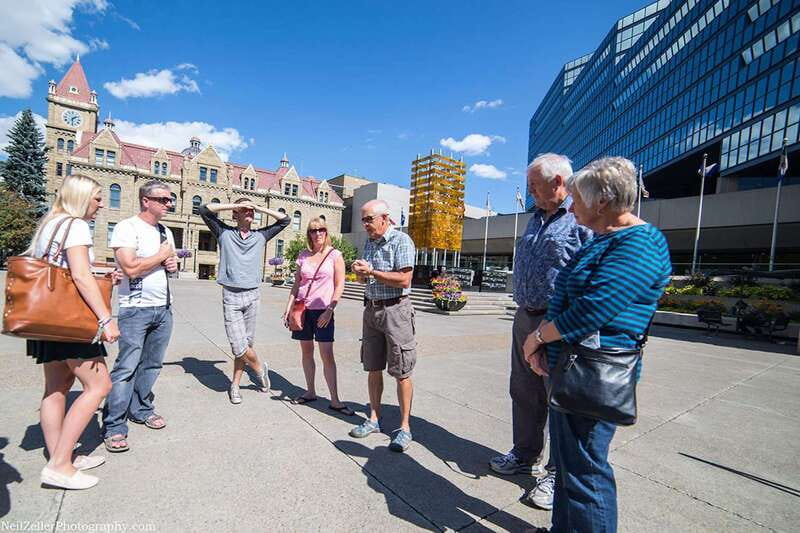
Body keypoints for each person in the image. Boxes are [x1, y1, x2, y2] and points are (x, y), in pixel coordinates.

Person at [523, 157, 671, 533]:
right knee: (569, 466)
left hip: (594, 373)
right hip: (571, 366)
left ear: (601, 201)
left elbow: (593, 309)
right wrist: (544, 346)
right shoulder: (604, 240)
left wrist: (537, 337)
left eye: (577, 199)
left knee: (586, 472)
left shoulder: (642, 242)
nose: (571, 207)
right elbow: (565, 297)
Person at [490, 153, 592, 511]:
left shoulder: (580, 218)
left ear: (558, 182)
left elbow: (588, 276)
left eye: (534, 185)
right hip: (525, 317)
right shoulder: (535, 218)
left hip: (557, 322)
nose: (530, 191)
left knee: (558, 398)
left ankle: (556, 473)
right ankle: (524, 454)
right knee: (523, 390)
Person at [25, 174, 119, 490]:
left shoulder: (50, 223)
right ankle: (60, 465)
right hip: (70, 323)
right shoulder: (76, 225)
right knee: (100, 385)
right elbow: (79, 276)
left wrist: (102, 272)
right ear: (80, 198)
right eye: (97, 197)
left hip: (46, 319)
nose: (101, 204)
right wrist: (106, 318)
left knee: (56, 388)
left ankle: (59, 456)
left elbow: (62, 269)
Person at [102, 180, 178, 452]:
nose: (169, 204)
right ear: (146, 201)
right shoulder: (127, 228)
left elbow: (168, 266)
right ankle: (114, 425)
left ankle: (141, 408)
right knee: (126, 367)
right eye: (163, 200)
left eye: (170, 199)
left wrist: (171, 264)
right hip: (135, 308)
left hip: (163, 307)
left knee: (152, 365)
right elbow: (131, 268)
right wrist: (161, 256)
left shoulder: (165, 231)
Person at [199, 198, 289, 403]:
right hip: (231, 296)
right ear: (235, 214)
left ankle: (235, 385)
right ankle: (259, 369)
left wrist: (257, 207)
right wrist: (235, 205)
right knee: (238, 346)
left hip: (252, 296)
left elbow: (285, 220)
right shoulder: (224, 233)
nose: (249, 212)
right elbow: (204, 210)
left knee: (246, 344)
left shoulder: (261, 236)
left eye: (251, 210)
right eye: (244, 209)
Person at [349, 200, 417, 452]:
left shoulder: (401, 241)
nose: (365, 224)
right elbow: (363, 280)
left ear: (385, 218)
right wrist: (359, 272)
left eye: (369, 219)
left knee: (401, 371)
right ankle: (374, 419)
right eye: (363, 220)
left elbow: (405, 279)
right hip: (372, 309)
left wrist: (372, 272)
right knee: (373, 367)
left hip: (396, 310)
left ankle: (404, 428)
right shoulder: (369, 242)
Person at [282, 217, 354, 416]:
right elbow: (297, 284)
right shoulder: (303, 255)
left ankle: (335, 400)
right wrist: (288, 307)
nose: (317, 233)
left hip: (323, 311)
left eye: (321, 229)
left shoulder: (334, 255)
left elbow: (340, 284)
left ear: (326, 232)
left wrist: (330, 309)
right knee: (306, 352)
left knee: (327, 355)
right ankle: (310, 391)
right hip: (302, 310)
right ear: (309, 234)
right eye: (313, 231)